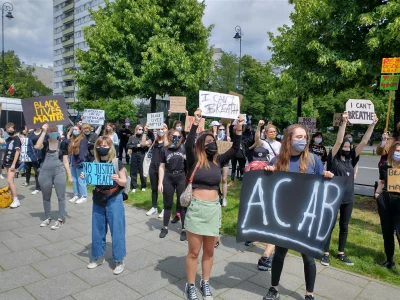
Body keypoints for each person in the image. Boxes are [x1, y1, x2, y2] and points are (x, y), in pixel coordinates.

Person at [263, 124, 334, 300]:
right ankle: (274, 288)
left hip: (305, 219)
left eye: (305, 137)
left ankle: (309, 293)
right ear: (288, 139)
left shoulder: (313, 161)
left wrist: (327, 178)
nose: (303, 140)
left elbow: (321, 189)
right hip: (284, 217)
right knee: (279, 254)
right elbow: (268, 190)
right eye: (299, 137)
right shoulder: (277, 161)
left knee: (308, 258)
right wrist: (268, 174)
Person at [184, 108, 244, 300]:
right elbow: (187, 145)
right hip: (196, 208)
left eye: (213, 142)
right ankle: (190, 286)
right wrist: (195, 122)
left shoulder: (219, 160)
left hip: (213, 210)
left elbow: (235, 148)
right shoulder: (194, 160)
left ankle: (205, 283)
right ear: (201, 145)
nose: (212, 144)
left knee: (209, 251)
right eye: (208, 142)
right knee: (194, 252)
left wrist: (238, 129)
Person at [321, 111, 378, 267]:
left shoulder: (352, 159)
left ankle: (341, 253)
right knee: (330, 224)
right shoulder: (332, 159)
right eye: (345, 146)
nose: (347, 148)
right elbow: (339, 141)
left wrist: (372, 125)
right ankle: (325, 253)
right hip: (333, 197)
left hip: (348, 198)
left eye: (349, 146)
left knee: (344, 226)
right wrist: (344, 123)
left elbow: (364, 142)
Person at [81, 136, 127, 275]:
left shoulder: (116, 162)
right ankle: (98, 256)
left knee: (117, 229)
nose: (103, 147)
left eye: (106, 145)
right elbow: (90, 182)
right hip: (98, 198)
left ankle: (119, 259)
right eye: (100, 145)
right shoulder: (94, 162)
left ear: (111, 147)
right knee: (97, 229)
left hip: (114, 198)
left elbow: (124, 182)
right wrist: (85, 177)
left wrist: (118, 180)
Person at [243, 147, 276, 271]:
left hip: (252, 197)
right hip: (265, 197)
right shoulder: (268, 165)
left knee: (253, 218)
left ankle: (249, 237)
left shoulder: (250, 165)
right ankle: (266, 257)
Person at [35, 124, 72, 229]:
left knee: (61, 196)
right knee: (46, 197)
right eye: (50, 132)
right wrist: (43, 131)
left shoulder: (62, 144)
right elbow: (37, 146)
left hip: (59, 171)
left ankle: (60, 219)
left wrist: (69, 175)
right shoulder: (45, 144)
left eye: (54, 131)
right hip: (45, 172)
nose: (52, 133)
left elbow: (65, 161)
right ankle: (47, 217)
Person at [158, 128, 187, 241]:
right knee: (168, 203)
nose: (176, 138)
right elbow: (161, 166)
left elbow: (190, 163)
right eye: (174, 136)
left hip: (181, 176)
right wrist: (160, 182)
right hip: (169, 177)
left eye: (178, 136)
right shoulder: (164, 150)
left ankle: (184, 228)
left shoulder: (183, 148)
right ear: (169, 137)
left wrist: (187, 158)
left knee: (182, 203)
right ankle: (165, 227)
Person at [375, 141, 400, 269]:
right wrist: (377, 194)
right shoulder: (385, 167)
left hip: (399, 201)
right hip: (385, 200)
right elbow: (382, 181)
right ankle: (389, 260)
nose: (398, 154)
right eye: (396, 151)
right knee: (387, 231)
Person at [145, 124, 168, 217]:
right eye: (159, 128)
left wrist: (165, 134)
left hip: (162, 167)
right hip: (153, 166)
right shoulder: (154, 140)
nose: (161, 130)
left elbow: (166, 146)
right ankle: (154, 207)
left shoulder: (168, 140)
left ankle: (165, 208)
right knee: (154, 188)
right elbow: (144, 143)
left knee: (163, 188)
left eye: (163, 128)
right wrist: (145, 131)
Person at [1, 123, 21, 208]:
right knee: (10, 181)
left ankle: (16, 200)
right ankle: (13, 197)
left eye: (11, 128)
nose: (9, 130)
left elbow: (17, 152)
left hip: (12, 163)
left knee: (9, 181)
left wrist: (13, 164)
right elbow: (2, 141)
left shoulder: (16, 139)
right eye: (8, 129)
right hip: (6, 162)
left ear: (14, 129)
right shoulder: (8, 139)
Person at [68, 125, 89, 204]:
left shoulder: (83, 140)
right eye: (73, 129)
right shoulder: (73, 139)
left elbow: (83, 153)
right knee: (74, 179)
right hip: (73, 161)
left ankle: (83, 195)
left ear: (80, 130)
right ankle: (76, 194)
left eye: (76, 129)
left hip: (80, 162)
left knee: (81, 180)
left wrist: (81, 162)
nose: (74, 130)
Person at [127, 124, 150, 193]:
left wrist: (143, 145)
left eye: (142, 129)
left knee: (142, 171)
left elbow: (148, 145)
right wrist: (135, 146)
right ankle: (134, 186)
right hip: (134, 154)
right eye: (139, 129)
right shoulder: (132, 137)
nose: (141, 131)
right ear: (136, 130)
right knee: (133, 171)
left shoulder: (145, 137)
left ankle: (143, 186)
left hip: (142, 154)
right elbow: (128, 145)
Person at [215, 123, 231, 207]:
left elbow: (229, 143)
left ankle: (224, 198)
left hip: (225, 161)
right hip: (216, 161)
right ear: (217, 130)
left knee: (224, 179)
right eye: (220, 129)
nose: (221, 131)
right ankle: (217, 196)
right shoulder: (214, 138)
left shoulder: (226, 138)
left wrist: (228, 127)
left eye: (223, 129)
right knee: (216, 179)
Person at [25, 127, 43, 195]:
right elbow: (29, 146)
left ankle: (45, 186)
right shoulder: (31, 135)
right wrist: (31, 156)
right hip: (34, 158)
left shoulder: (44, 133)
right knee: (37, 173)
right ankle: (38, 188)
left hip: (43, 157)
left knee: (44, 173)